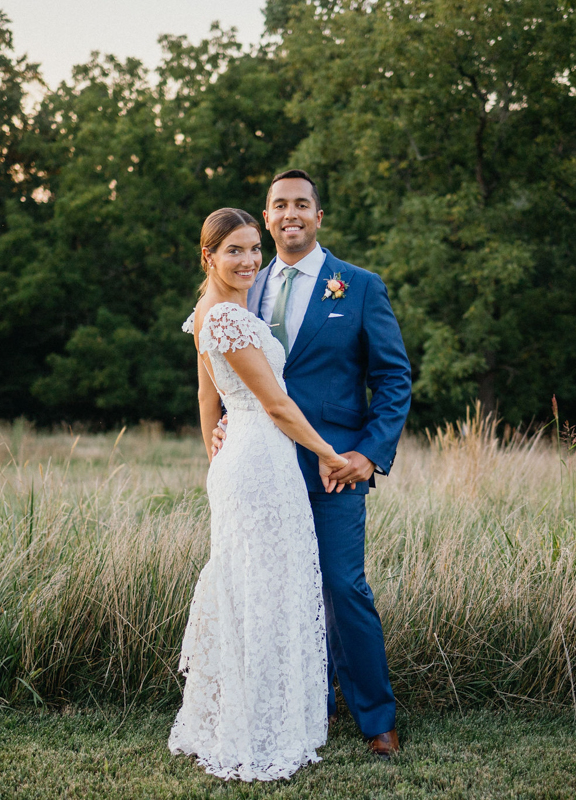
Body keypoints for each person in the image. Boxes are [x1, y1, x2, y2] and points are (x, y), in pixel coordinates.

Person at [211, 170, 413, 758]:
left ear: (318, 217)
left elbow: (394, 379)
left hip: (334, 468)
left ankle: (377, 717)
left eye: (302, 204)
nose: (290, 213)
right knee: (273, 591)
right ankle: (304, 708)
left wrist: (367, 454)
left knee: (342, 587)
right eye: (279, 205)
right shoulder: (244, 283)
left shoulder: (360, 286)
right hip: (261, 469)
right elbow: (231, 364)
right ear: (266, 217)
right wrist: (229, 417)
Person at [168, 207, 350, 781]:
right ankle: (256, 729)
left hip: (243, 461)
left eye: (254, 249)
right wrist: (330, 454)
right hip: (260, 465)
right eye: (235, 251)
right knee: (263, 589)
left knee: (252, 585)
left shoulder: (211, 313)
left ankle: (253, 717)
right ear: (210, 257)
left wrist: (213, 453)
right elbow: (275, 404)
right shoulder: (229, 318)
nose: (249, 260)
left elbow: (207, 401)